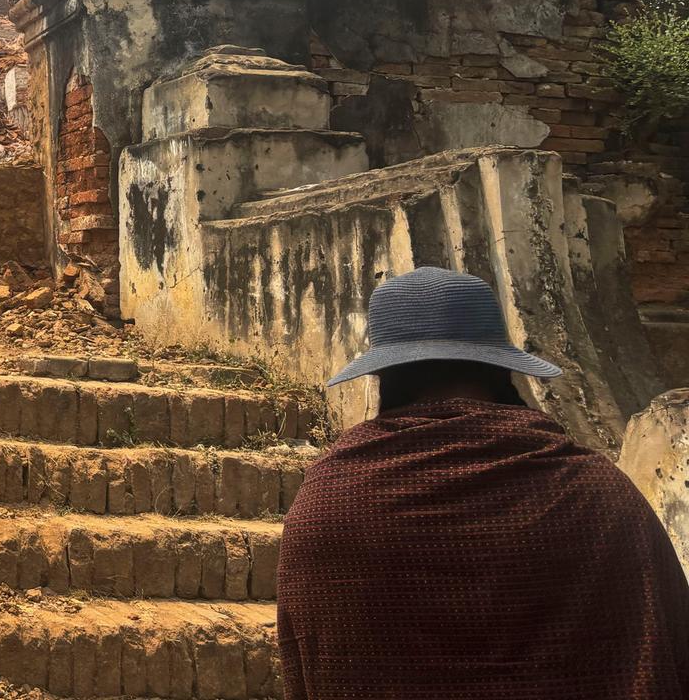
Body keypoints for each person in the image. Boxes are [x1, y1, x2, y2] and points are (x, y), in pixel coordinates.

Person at [276, 266, 689, 700]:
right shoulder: (597, 491)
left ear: (384, 378)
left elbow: (311, 664)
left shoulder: (332, 500)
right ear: (501, 371)